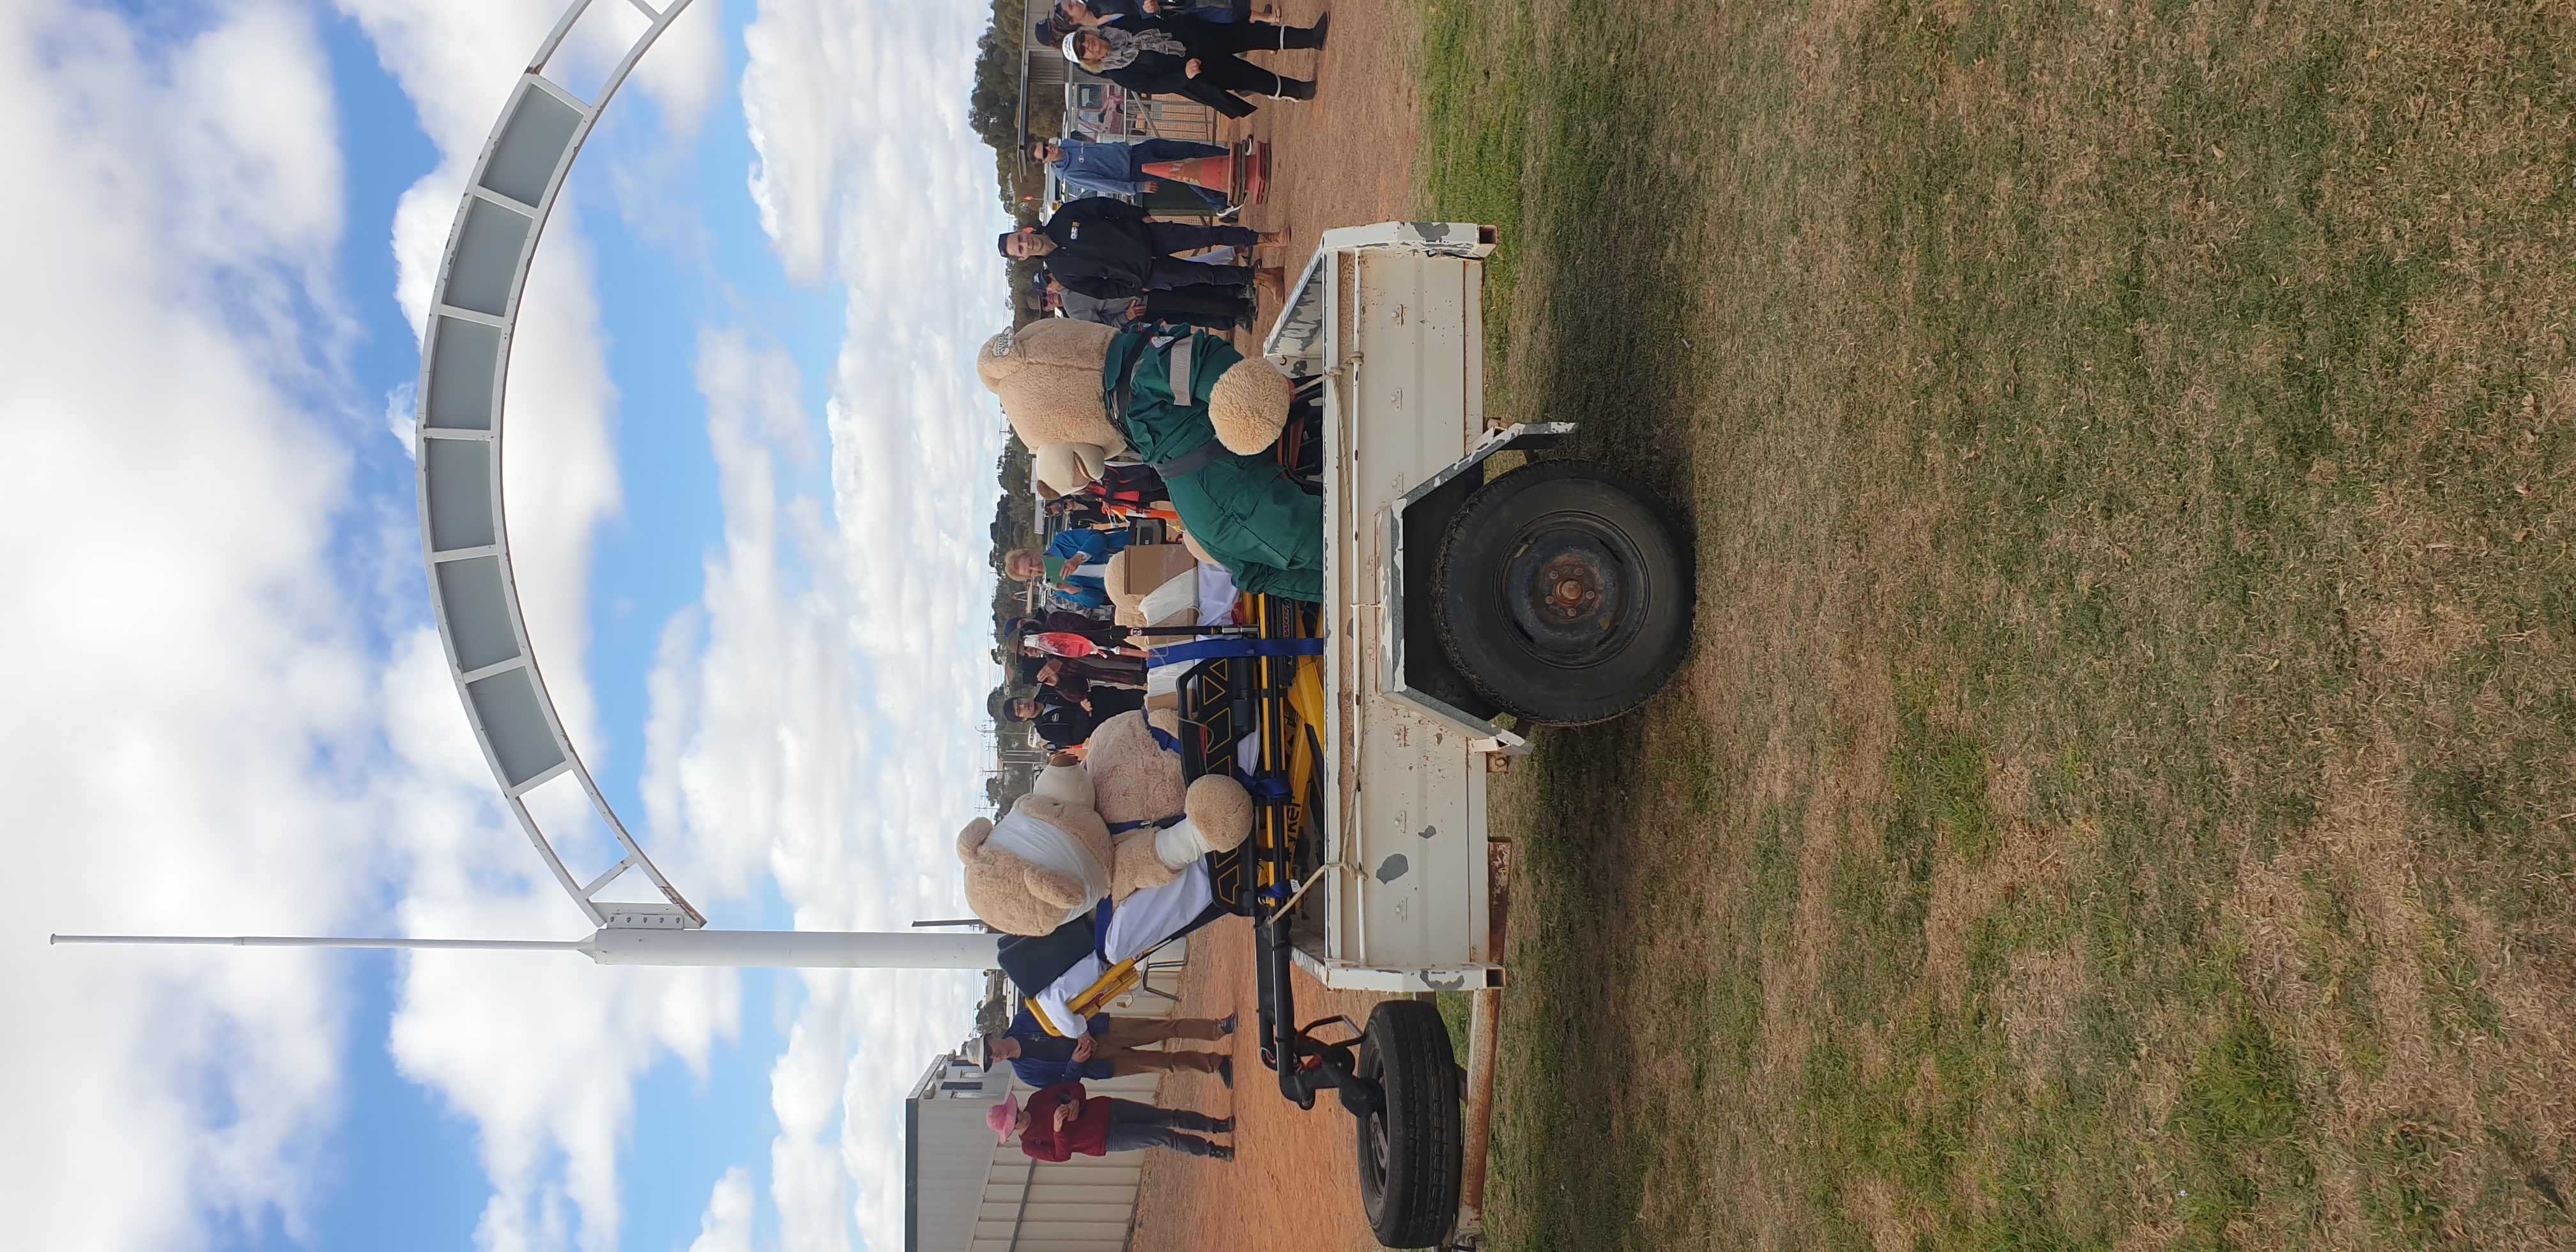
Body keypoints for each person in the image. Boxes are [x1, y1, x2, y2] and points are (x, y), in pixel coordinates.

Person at [999, 197, 1277, 300]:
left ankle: (1263, 238)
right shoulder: (1063, 273)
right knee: (1206, 275)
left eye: (1020, 239)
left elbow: (1106, 206)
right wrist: (1136, 288)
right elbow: (1101, 291)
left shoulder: (1063, 218)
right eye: (1020, 249)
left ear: (1025, 232)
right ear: (1023, 257)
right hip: (1147, 273)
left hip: (1148, 236)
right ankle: (1260, 278)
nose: (1026, 244)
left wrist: (1138, 215)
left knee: (1208, 235)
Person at [1065, 17, 1325, 119]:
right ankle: (1298, 90)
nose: (1089, 45)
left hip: (1200, 34)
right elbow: (1154, 85)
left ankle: (1309, 37)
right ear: (1088, 60)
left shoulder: (1119, 25)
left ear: (1088, 32)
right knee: (1252, 78)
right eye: (1083, 51)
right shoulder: (1119, 72)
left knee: (1253, 35)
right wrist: (1183, 76)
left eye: (1084, 39)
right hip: (1198, 68)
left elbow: (1148, 15)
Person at [986, 1006, 1236, 1085]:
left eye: (989, 1052)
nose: (994, 1057)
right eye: (989, 1062)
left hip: (1101, 1030)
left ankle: (1218, 1028)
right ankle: (1216, 1064)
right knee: (1163, 1063)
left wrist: (1082, 1031)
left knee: (1166, 1028)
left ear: (991, 1038)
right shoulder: (1026, 1073)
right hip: (1100, 1065)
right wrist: (1076, 1063)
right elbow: (1064, 1086)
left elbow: (1061, 1009)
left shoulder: (1023, 1019)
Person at [991, 1081, 1234, 1162]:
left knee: (1167, 1115)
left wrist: (1076, 1102)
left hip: (1106, 1108)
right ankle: (1212, 1150)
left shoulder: (1036, 1099)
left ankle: (1215, 1125)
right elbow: (1062, 1155)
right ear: (1011, 1130)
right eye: (1013, 1122)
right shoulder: (1029, 1145)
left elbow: (1072, 1087)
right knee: (1163, 1137)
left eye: (1014, 1113)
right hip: (1105, 1139)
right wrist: (1058, 1130)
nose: (1018, 1118)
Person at [1032, 135, 1233, 210]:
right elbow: (1105, 185)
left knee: (1189, 148)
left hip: (1135, 150)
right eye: (1045, 153)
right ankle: (1219, 204)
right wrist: (1137, 188)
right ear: (1046, 162)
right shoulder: (1069, 174)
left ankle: (1230, 157)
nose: (1050, 149)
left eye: (1046, 145)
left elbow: (1096, 147)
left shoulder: (1068, 143)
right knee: (1184, 169)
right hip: (1134, 172)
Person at [1037, 269, 1251, 332]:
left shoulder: (1074, 273)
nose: (1050, 293)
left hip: (1142, 281)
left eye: (1049, 276)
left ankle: (1238, 291)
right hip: (1142, 304)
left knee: (1194, 282)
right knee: (1193, 307)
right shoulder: (1075, 310)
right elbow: (1103, 329)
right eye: (1046, 300)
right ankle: (1240, 311)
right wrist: (1127, 316)